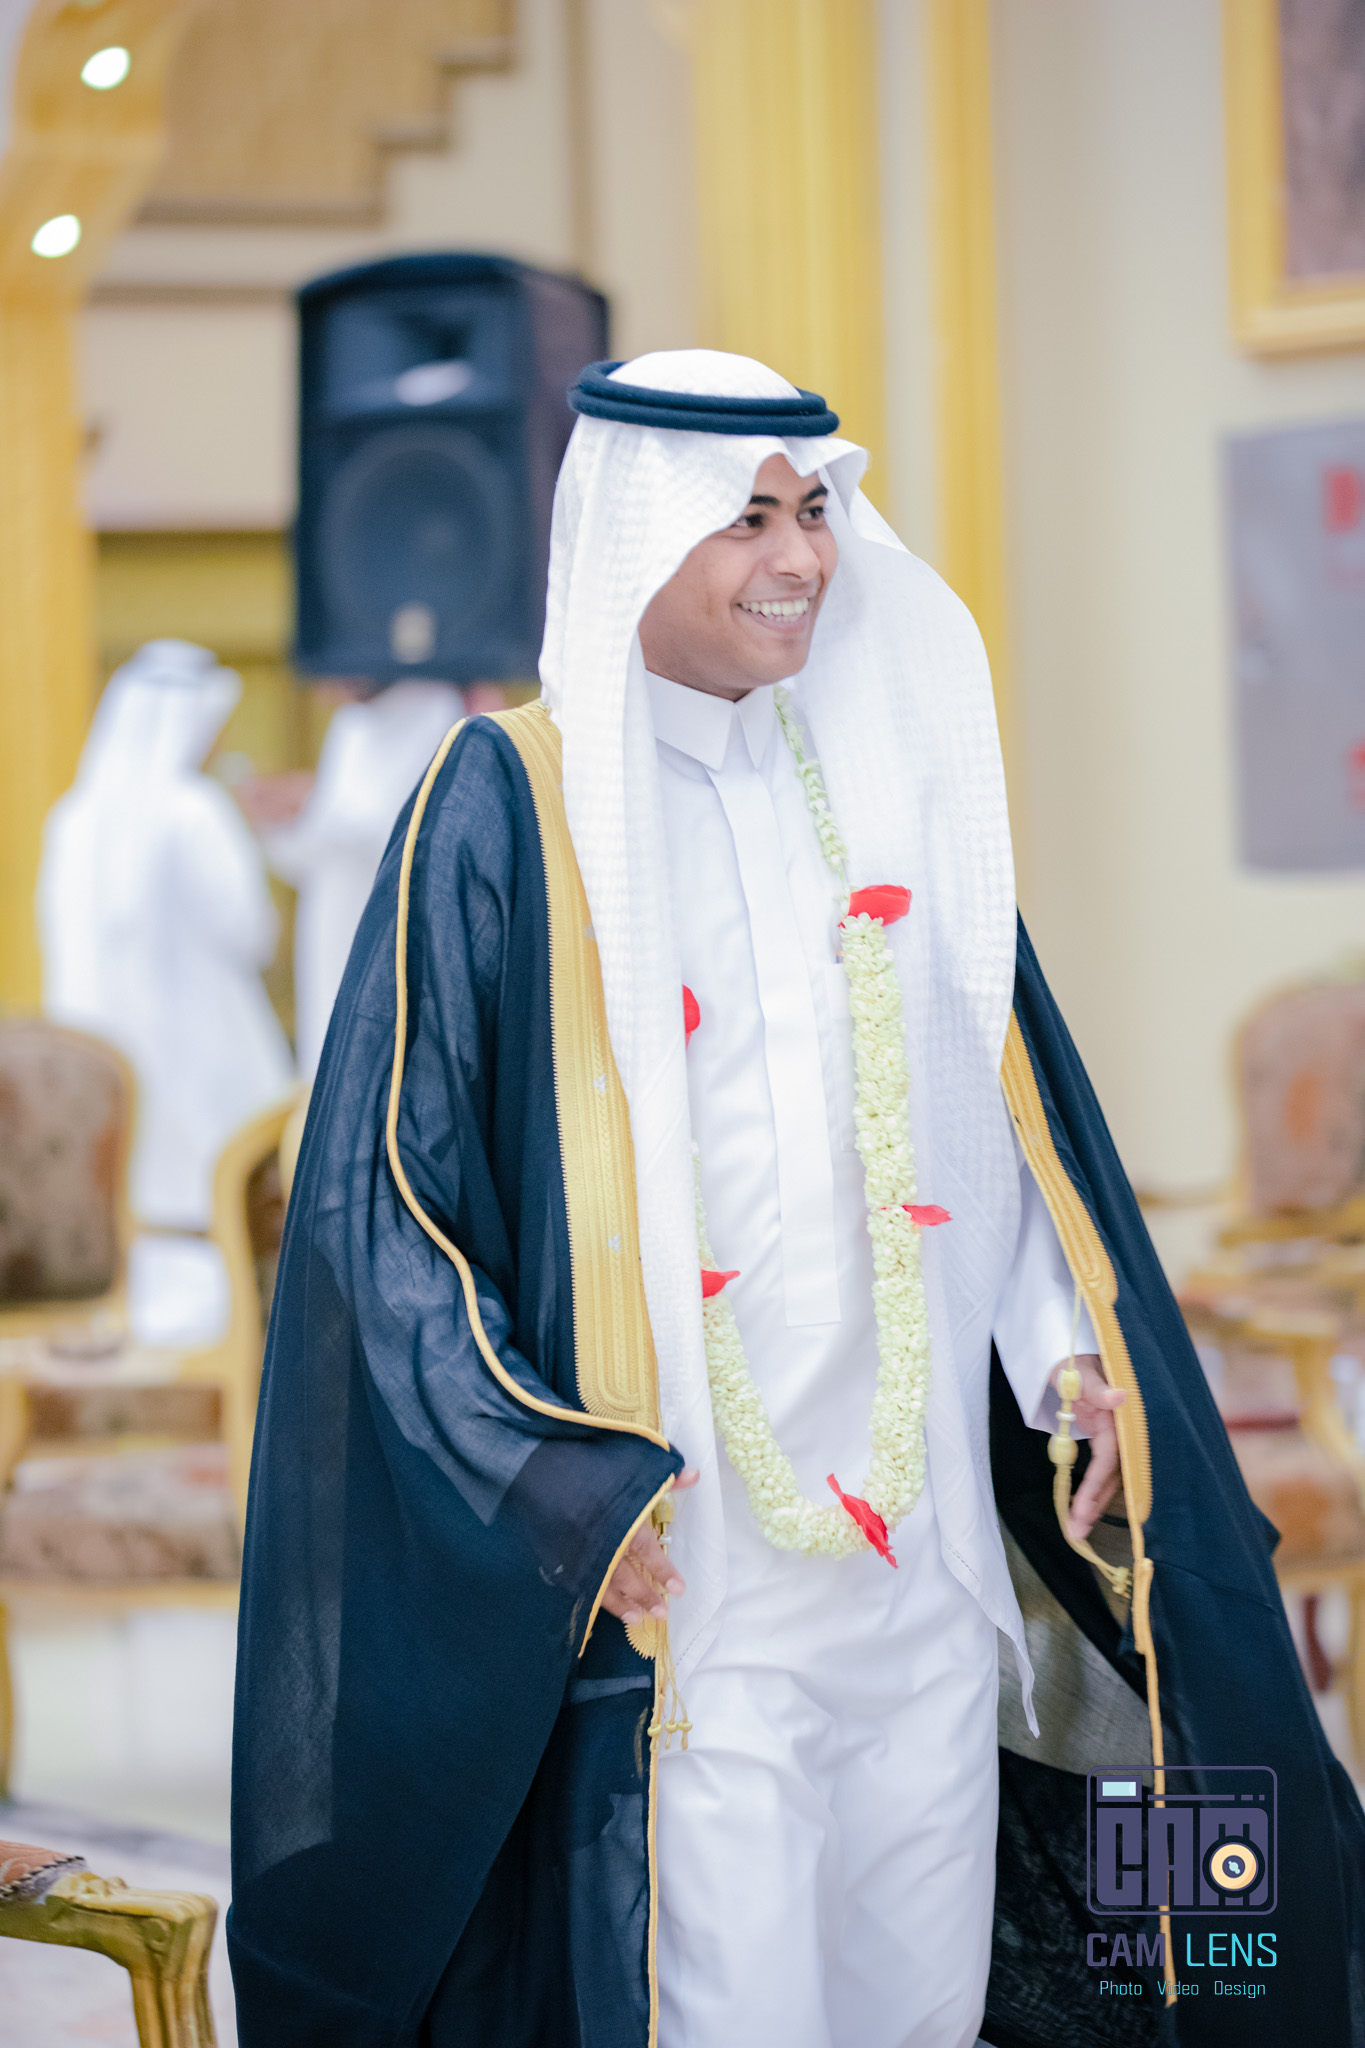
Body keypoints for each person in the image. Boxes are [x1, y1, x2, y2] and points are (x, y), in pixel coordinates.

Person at [230, 354, 1365, 2047]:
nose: (800, 557)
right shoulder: (514, 806)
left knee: (926, 2002)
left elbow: (992, 1119)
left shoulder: (882, 779)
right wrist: (548, 1487)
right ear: (638, 535)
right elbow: (386, 1214)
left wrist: (1068, 1353)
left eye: (815, 509)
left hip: (928, 1560)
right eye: (747, 517)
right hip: (704, 1586)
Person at [39, 638, 294, 1231]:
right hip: (207, 1058)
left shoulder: (72, 817)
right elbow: (252, 931)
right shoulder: (194, 811)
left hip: (98, 1061)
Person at [242, 677, 497, 1080]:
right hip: (335, 920)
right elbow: (322, 848)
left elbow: (406, 833)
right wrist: (285, 817)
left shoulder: (431, 708)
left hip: (399, 921)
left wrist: (314, 806)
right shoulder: (350, 723)